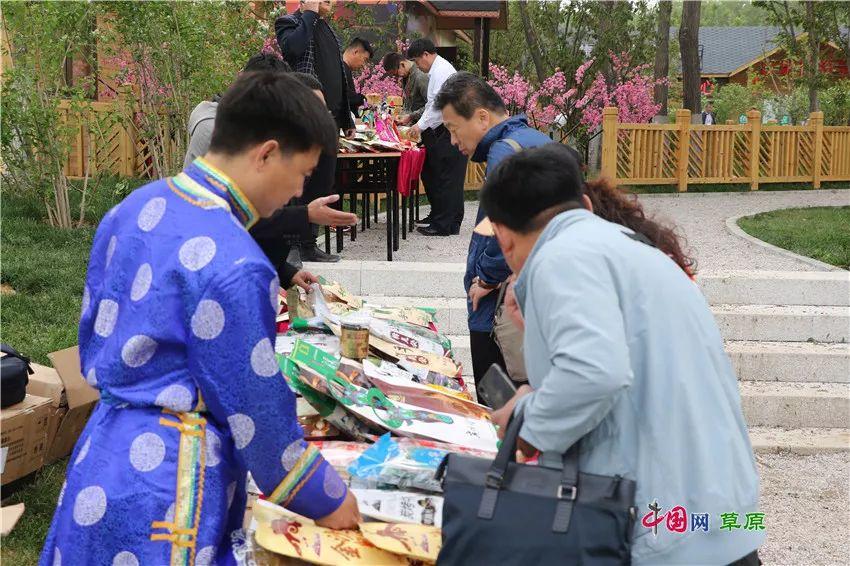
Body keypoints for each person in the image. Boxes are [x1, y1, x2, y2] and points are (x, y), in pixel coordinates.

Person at [39, 72, 361, 566]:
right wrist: (328, 497)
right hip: (172, 482)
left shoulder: (132, 208)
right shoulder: (237, 263)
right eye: (303, 172)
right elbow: (257, 414)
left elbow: (91, 334)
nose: (299, 191)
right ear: (268, 153)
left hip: (100, 456)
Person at [484, 144, 763, 565]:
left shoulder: (559, 257)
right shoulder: (633, 248)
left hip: (664, 529)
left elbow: (594, 373)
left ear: (504, 237)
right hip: (721, 514)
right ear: (582, 203)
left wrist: (527, 425)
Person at [182, 54, 356, 284]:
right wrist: (305, 215)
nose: (297, 191)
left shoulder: (157, 205)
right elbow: (241, 225)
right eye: (298, 174)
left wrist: (286, 273)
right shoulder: (217, 258)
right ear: (264, 154)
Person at [433, 71, 551, 388]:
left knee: (497, 401)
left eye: (453, 129)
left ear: (482, 117)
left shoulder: (503, 152)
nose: (454, 141)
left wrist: (486, 275)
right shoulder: (537, 140)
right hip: (537, 296)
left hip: (499, 305)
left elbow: (504, 224)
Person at [277, 2, 352, 262]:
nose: (331, 4)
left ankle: (309, 243)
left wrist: (346, 120)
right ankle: (293, 245)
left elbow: (339, 76)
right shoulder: (291, 22)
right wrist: (308, 13)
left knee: (321, 182)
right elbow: (293, 50)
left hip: (329, 122)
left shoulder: (330, 31)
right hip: (302, 117)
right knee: (298, 181)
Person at [406, 38, 467, 237]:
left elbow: (438, 106)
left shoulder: (441, 71)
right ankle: (448, 220)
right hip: (447, 127)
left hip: (450, 129)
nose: (417, 65)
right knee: (445, 176)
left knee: (447, 178)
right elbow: (433, 104)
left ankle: (444, 224)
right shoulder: (438, 70)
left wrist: (419, 125)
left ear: (426, 54)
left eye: (416, 60)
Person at [382, 51, 429, 127]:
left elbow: (432, 105)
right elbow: (409, 105)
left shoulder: (420, 76)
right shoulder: (406, 76)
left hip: (424, 128)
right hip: (412, 126)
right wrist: (402, 115)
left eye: (396, 73)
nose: (397, 77)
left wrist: (411, 116)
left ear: (402, 64)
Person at [342, 37, 373, 117]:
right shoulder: (339, 68)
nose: (364, 65)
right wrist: (363, 100)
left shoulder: (344, 68)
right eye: (364, 59)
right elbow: (345, 96)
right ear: (356, 52)